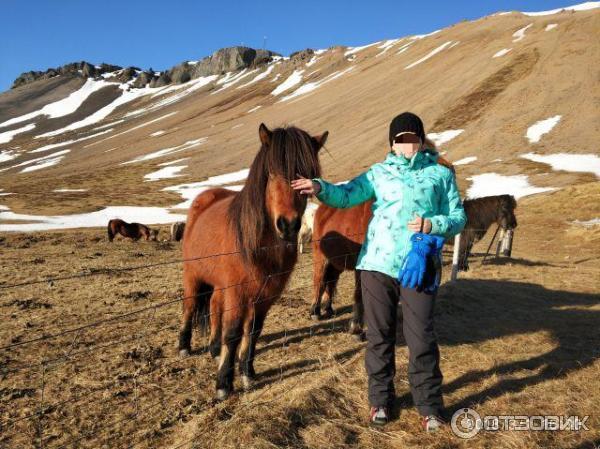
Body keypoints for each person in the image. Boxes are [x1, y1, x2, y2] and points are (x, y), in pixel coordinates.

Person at [291, 112, 466, 431]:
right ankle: (380, 401)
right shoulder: (379, 173)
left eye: (413, 137)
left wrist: (433, 225)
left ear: (421, 140)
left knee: (421, 337)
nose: (406, 144)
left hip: (420, 265)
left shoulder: (439, 175)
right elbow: (346, 195)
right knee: (379, 336)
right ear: (392, 143)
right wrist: (318, 187)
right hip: (377, 266)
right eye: (400, 139)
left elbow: (457, 216)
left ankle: (428, 405)